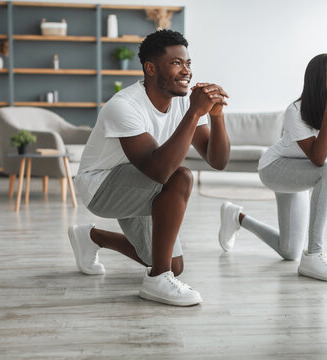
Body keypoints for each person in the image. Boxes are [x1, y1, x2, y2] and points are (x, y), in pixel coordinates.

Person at [69, 30, 230, 306]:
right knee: (180, 177)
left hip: (139, 182)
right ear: (151, 68)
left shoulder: (182, 103)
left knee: (174, 264)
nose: (186, 71)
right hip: (102, 187)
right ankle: (157, 280)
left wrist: (216, 116)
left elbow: (218, 161)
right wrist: (194, 113)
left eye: (188, 63)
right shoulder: (123, 106)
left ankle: (92, 237)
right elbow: (159, 172)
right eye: (176, 63)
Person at [218, 53, 327, 282]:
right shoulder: (296, 110)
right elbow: (319, 159)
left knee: (290, 252)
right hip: (275, 168)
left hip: (304, 173)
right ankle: (314, 254)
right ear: (316, 77)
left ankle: (237, 217)